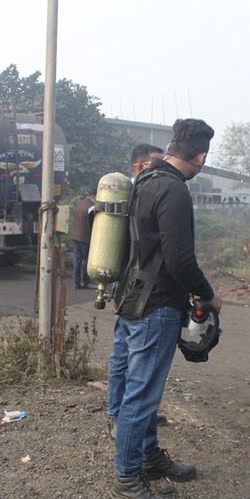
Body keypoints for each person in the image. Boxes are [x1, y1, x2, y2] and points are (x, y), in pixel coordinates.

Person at [108, 119, 222, 499]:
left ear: (171, 145)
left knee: (132, 390)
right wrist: (209, 295)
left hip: (130, 299)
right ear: (202, 157)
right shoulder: (174, 189)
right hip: (155, 307)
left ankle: (150, 457)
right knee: (141, 397)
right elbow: (179, 260)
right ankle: (126, 479)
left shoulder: (145, 179)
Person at [106, 143, 165, 441]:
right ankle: (119, 416)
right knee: (123, 356)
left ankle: (130, 413)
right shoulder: (131, 194)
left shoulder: (138, 193)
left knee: (128, 357)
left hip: (127, 283)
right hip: (128, 284)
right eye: (157, 163)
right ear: (141, 166)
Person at [71, 189, 96, 289]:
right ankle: (86, 282)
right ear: (93, 196)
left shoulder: (78, 204)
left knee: (78, 259)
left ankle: (76, 282)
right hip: (84, 237)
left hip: (75, 235)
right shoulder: (91, 207)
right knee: (86, 259)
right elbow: (92, 223)